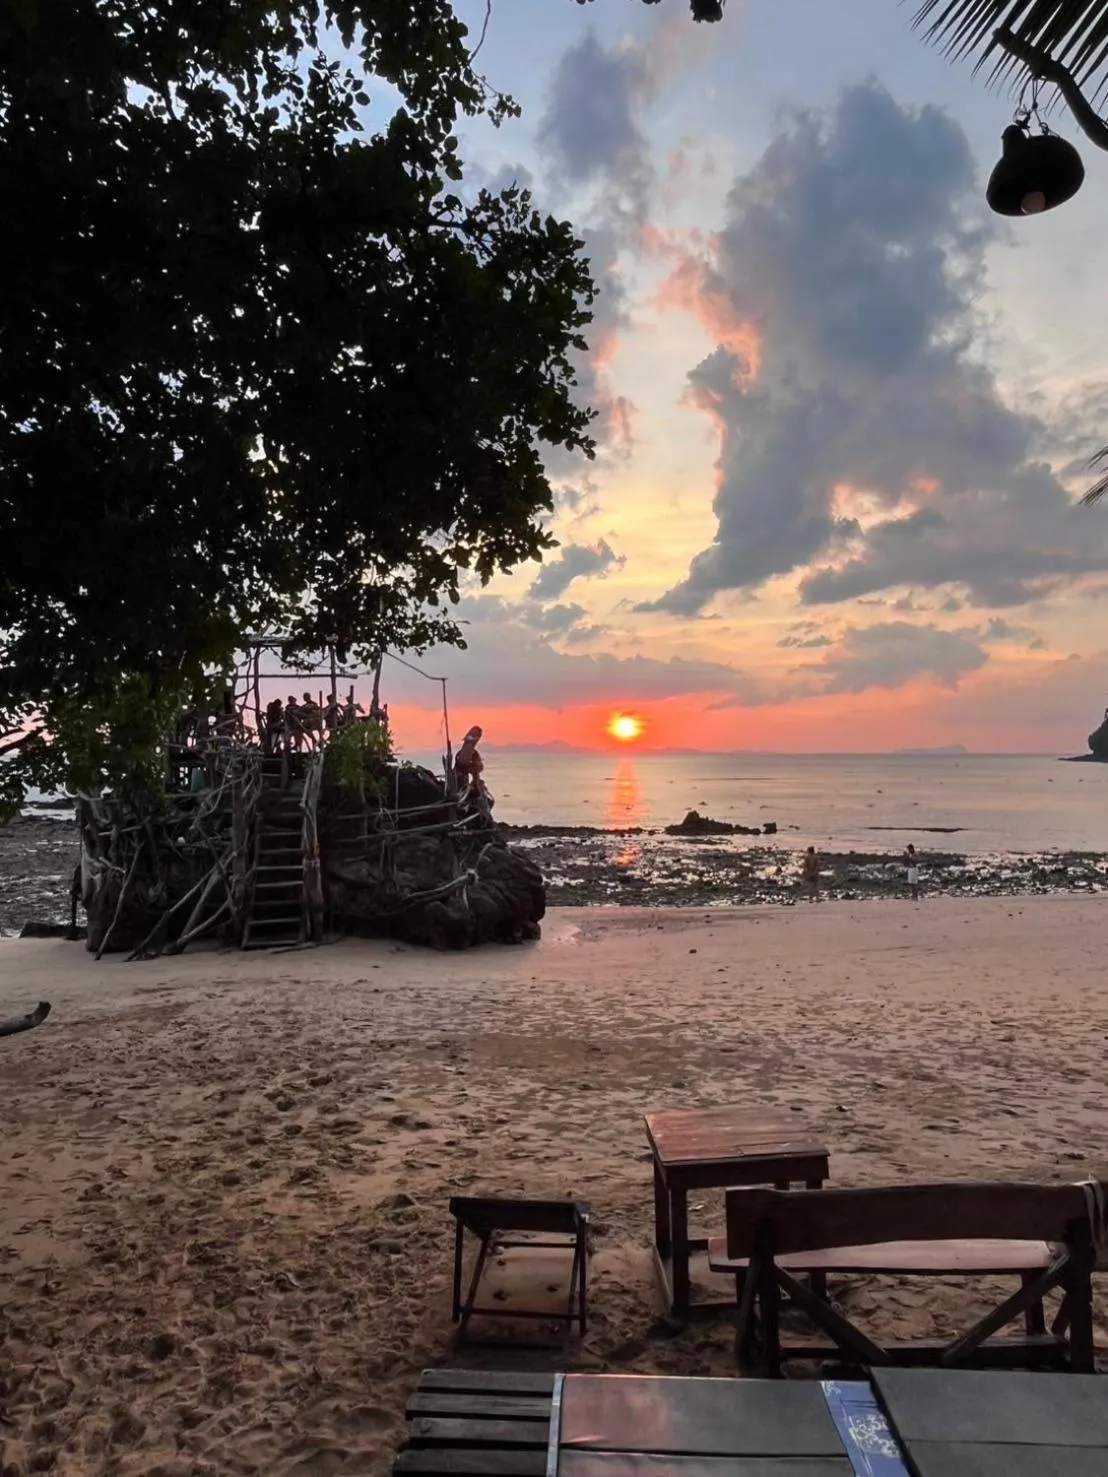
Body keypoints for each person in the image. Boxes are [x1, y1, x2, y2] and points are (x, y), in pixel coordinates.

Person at [454, 725, 483, 792]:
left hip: (463, 781)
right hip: (459, 781)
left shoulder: (474, 754)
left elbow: (478, 768)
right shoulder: (463, 753)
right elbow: (463, 764)